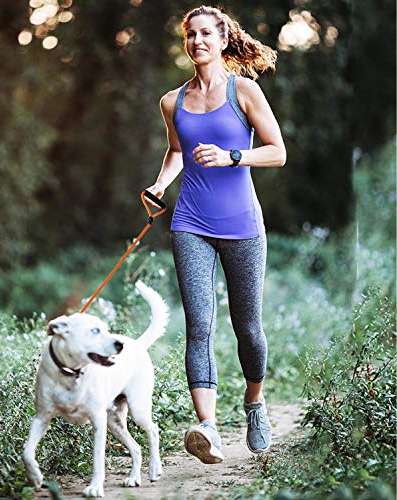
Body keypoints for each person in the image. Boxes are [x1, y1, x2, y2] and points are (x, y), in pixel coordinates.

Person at [145, 5, 286, 464]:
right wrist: (161, 184)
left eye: (206, 33)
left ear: (223, 40)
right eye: (191, 34)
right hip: (190, 223)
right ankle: (206, 427)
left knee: (247, 327)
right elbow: (176, 150)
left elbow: (277, 152)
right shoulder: (173, 101)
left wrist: (232, 157)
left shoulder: (243, 90)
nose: (197, 41)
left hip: (243, 224)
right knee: (198, 325)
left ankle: (254, 404)